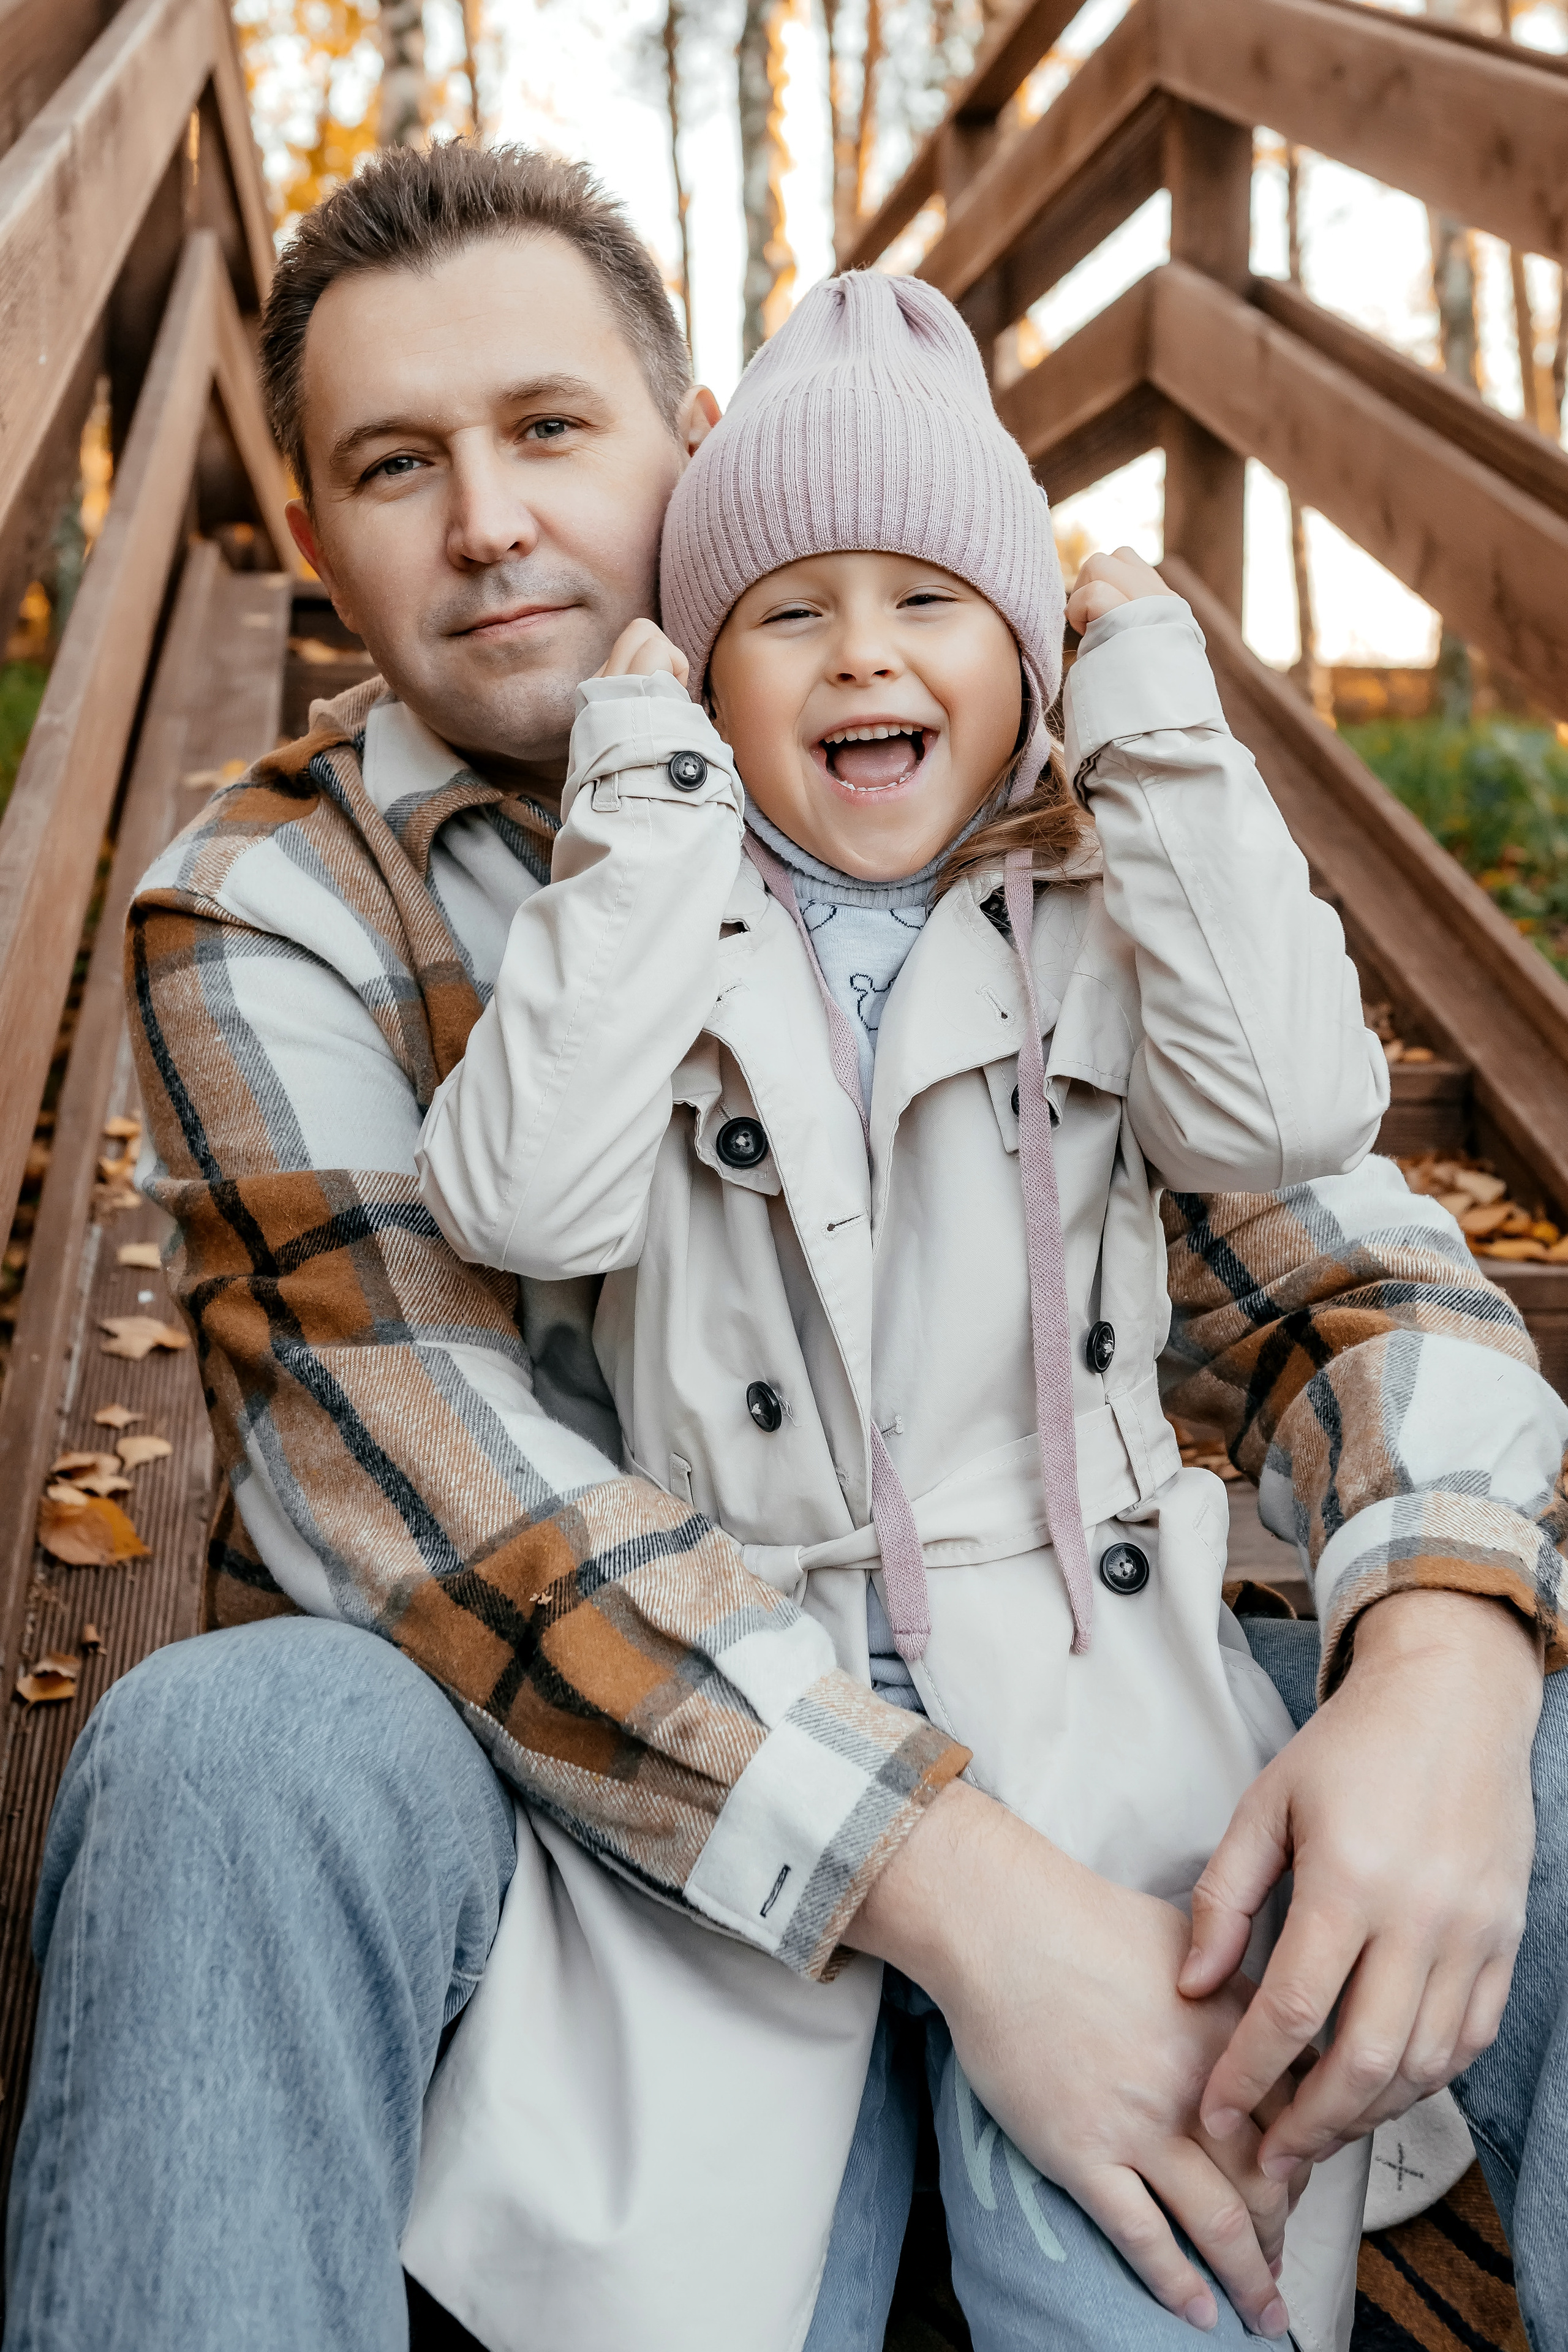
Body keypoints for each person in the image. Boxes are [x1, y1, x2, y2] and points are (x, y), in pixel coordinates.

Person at [3, 143, 1563, 2352]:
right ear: (318, 538)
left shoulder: (997, 848)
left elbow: (1346, 1253)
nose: (486, 522)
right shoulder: (272, 904)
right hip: (575, 1817)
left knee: (1527, 1697)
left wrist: (1447, 1650)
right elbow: (438, 1493)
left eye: (549, 429)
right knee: (217, 1752)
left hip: (1088, 1699)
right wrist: (983, 1915)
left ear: (689, 447)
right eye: (391, 465)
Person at [414, 263, 1392, 2346]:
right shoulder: (656, 913)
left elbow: (1299, 1106)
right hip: (743, 1715)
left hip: (1080, 1691)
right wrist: (653, 795)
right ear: (706, 671)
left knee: (1139, 2267)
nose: (863, 650)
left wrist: (1145, 702)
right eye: (787, 612)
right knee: (716, 2282)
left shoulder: (1103, 918)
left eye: (934, 599)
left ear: (1022, 663)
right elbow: (514, 1187)